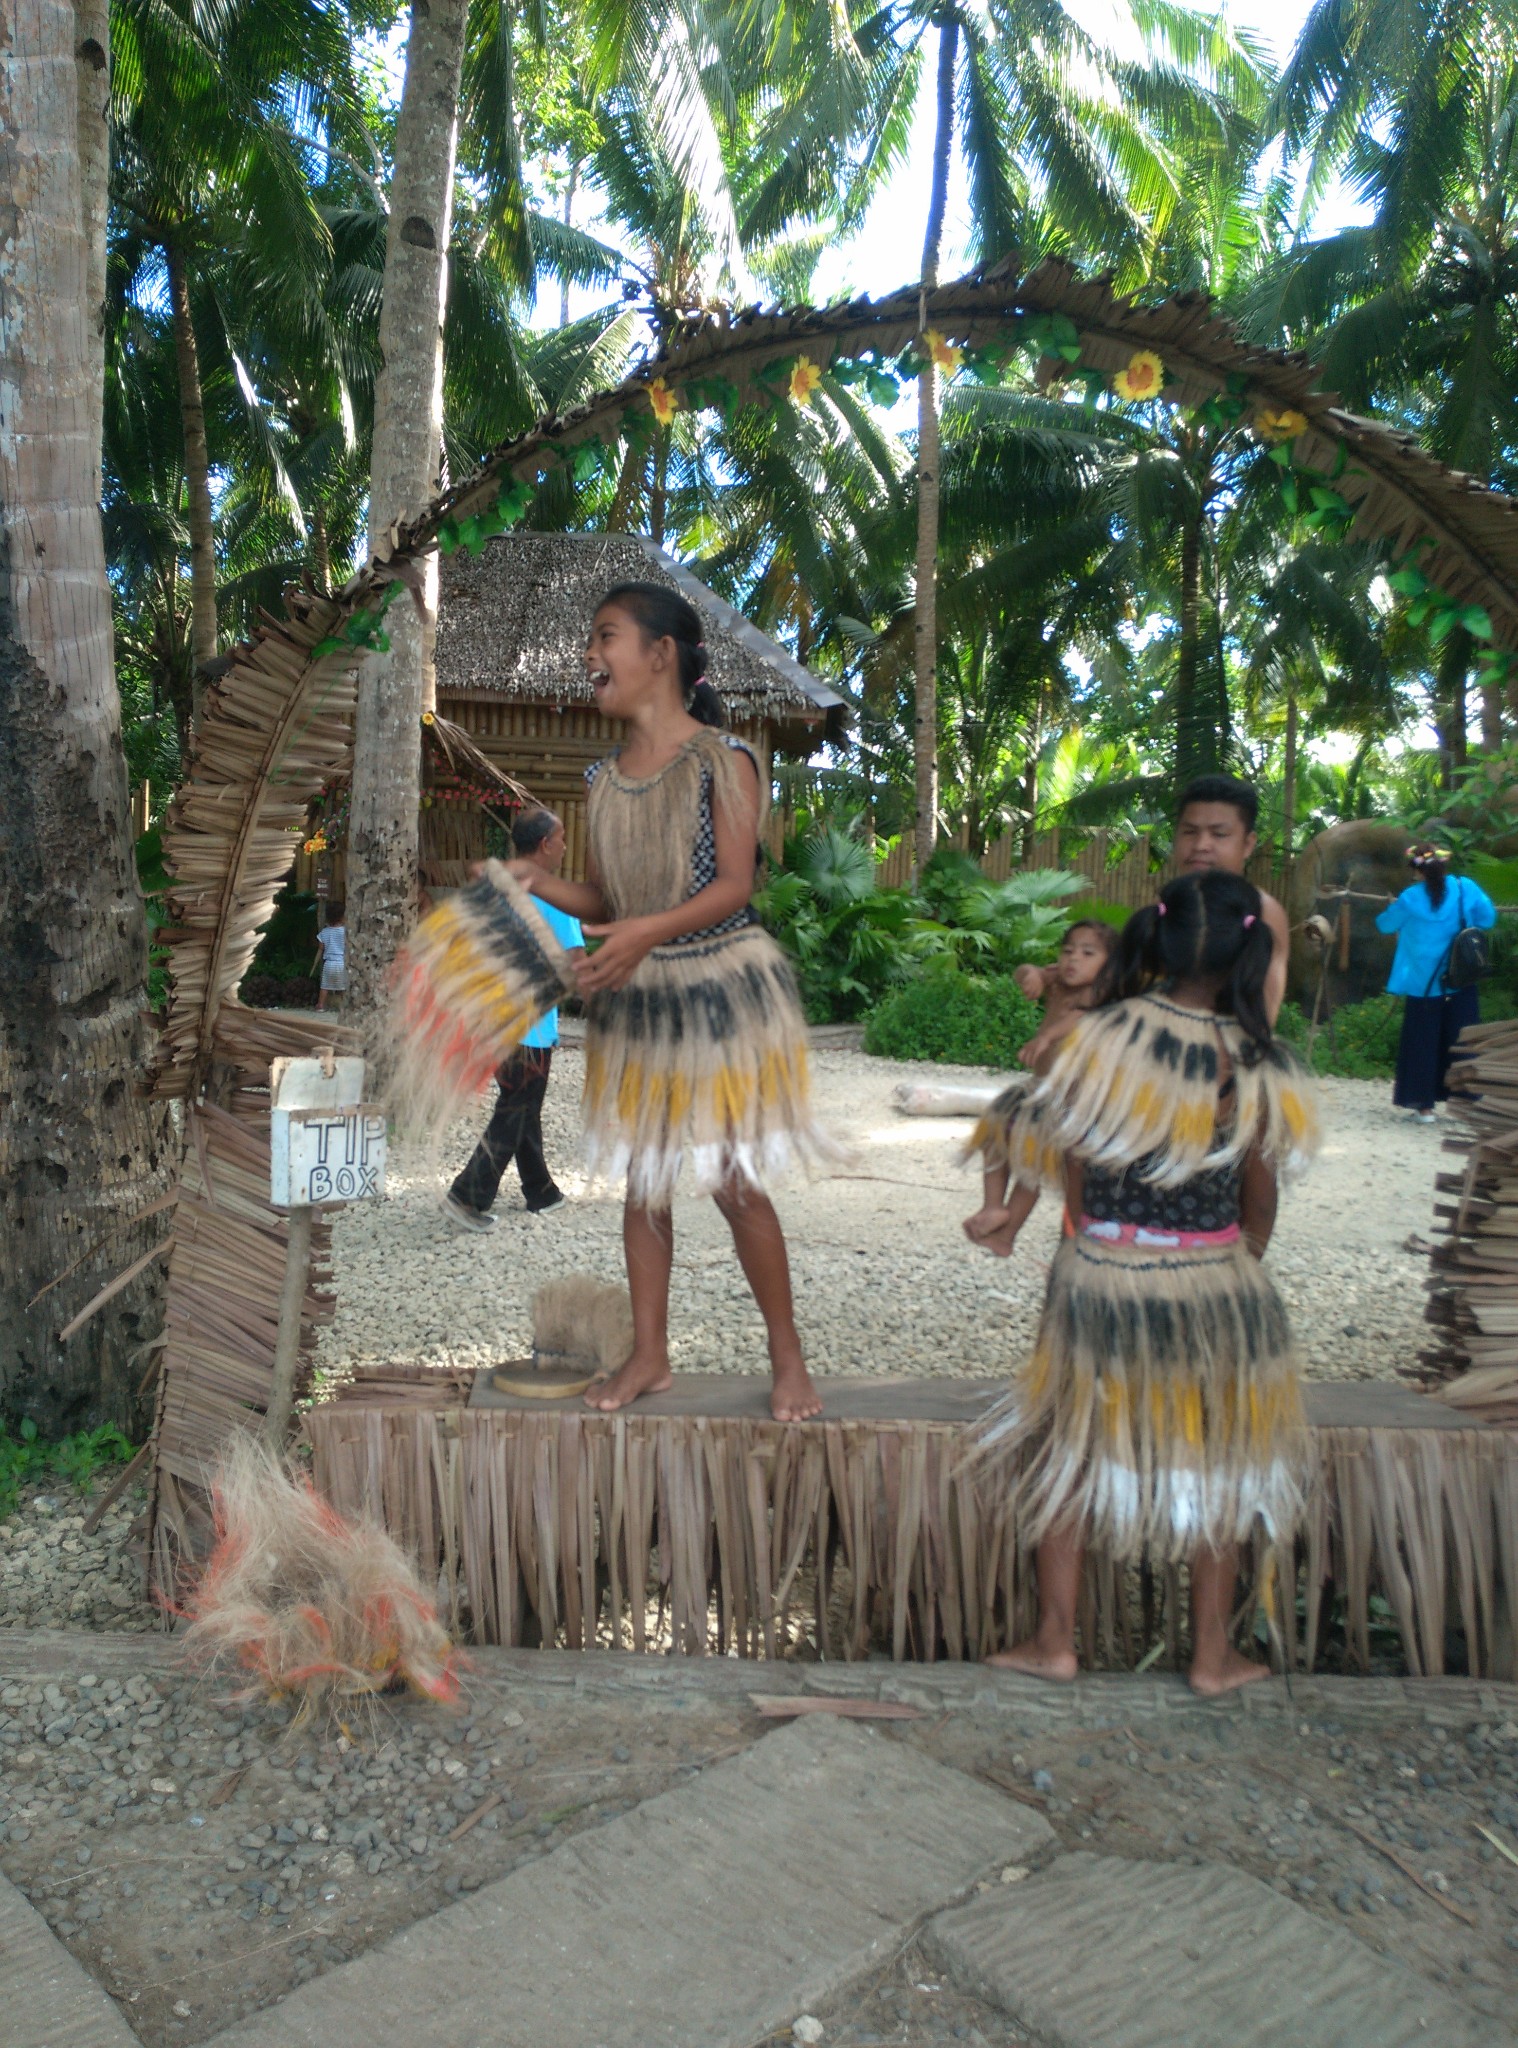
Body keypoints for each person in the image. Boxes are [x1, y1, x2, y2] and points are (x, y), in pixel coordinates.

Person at [974, 868, 1320, 1695]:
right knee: (1222, 1461)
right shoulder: (1257, 1059)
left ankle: (1055, 1641)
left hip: (1101, 1272)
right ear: (1250, 953)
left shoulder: (1096, 1037)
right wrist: (1233, 1261)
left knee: (1070, 1450)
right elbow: (1258, 1195)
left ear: (1153, 939)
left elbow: (1070, 1155)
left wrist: (1092, 1244)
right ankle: (1210, 1657)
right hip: (1216, 1283)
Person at [506, 581, 839, 1422]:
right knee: (644, 1183)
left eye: (605, 636)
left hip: (717, 982)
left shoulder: (723, 760)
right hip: (644, 990)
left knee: (733, 1178)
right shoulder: (602, 781)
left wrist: (642, 933)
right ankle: (650, 1354)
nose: (590, 653)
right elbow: (610, 896)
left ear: (660, 655)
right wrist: (541, 882)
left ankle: (788, 1357)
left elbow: (732, 885)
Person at [443, 809, 584, 1229]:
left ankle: (542, 1192)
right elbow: (576, 965)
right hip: (532, 1026)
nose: (563, 846)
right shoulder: (557, 896)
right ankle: (467, 1197)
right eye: (560, 838)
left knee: (524, 1107)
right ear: (544, 845)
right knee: (515, 1110)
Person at [963, 918, 1117, 1256]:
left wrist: (1046, 1035)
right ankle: (992, 1207)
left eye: (1088, 953)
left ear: (1110, 963)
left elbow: (1079, 1017)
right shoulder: (1059, 979)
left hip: (1067, 1096)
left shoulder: (1101, 991)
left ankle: (1008, 1232)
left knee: (1032, 1163)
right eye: (1068, 951)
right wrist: (1029, 974)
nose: (1073, 959)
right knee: (995, 1135)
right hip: (1037, 1085)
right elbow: (1026, 970)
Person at [1376, 842, 1495, 1122]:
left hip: (1424, 985)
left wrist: (1393, 909)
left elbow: (1384, 925)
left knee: (1422, 1043)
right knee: (1463, 1042)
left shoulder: (1409, 899)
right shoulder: (1466, 888)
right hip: (1460, 980)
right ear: (1443, 865)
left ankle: (1424, 1108)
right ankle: (1466, 1107)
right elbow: (1487, 919)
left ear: (1417, 871)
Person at [1173, 775, 1290, 1022]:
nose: (1201, 845)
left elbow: (1265, 1013)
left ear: (1248, 844)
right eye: (1190, 832)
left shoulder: (1264, 913)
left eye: (1219, 834)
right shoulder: (1163, 908)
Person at [313, 901, 346, 1010]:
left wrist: (314, 966)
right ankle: (344, 1006)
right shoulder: (345, 932)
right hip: (341, 963)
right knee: (343, 987)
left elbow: (320, 949)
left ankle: (320, 1005)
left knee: (325, 986)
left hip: (329, 964)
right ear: (342, 916)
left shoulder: (324, 932)